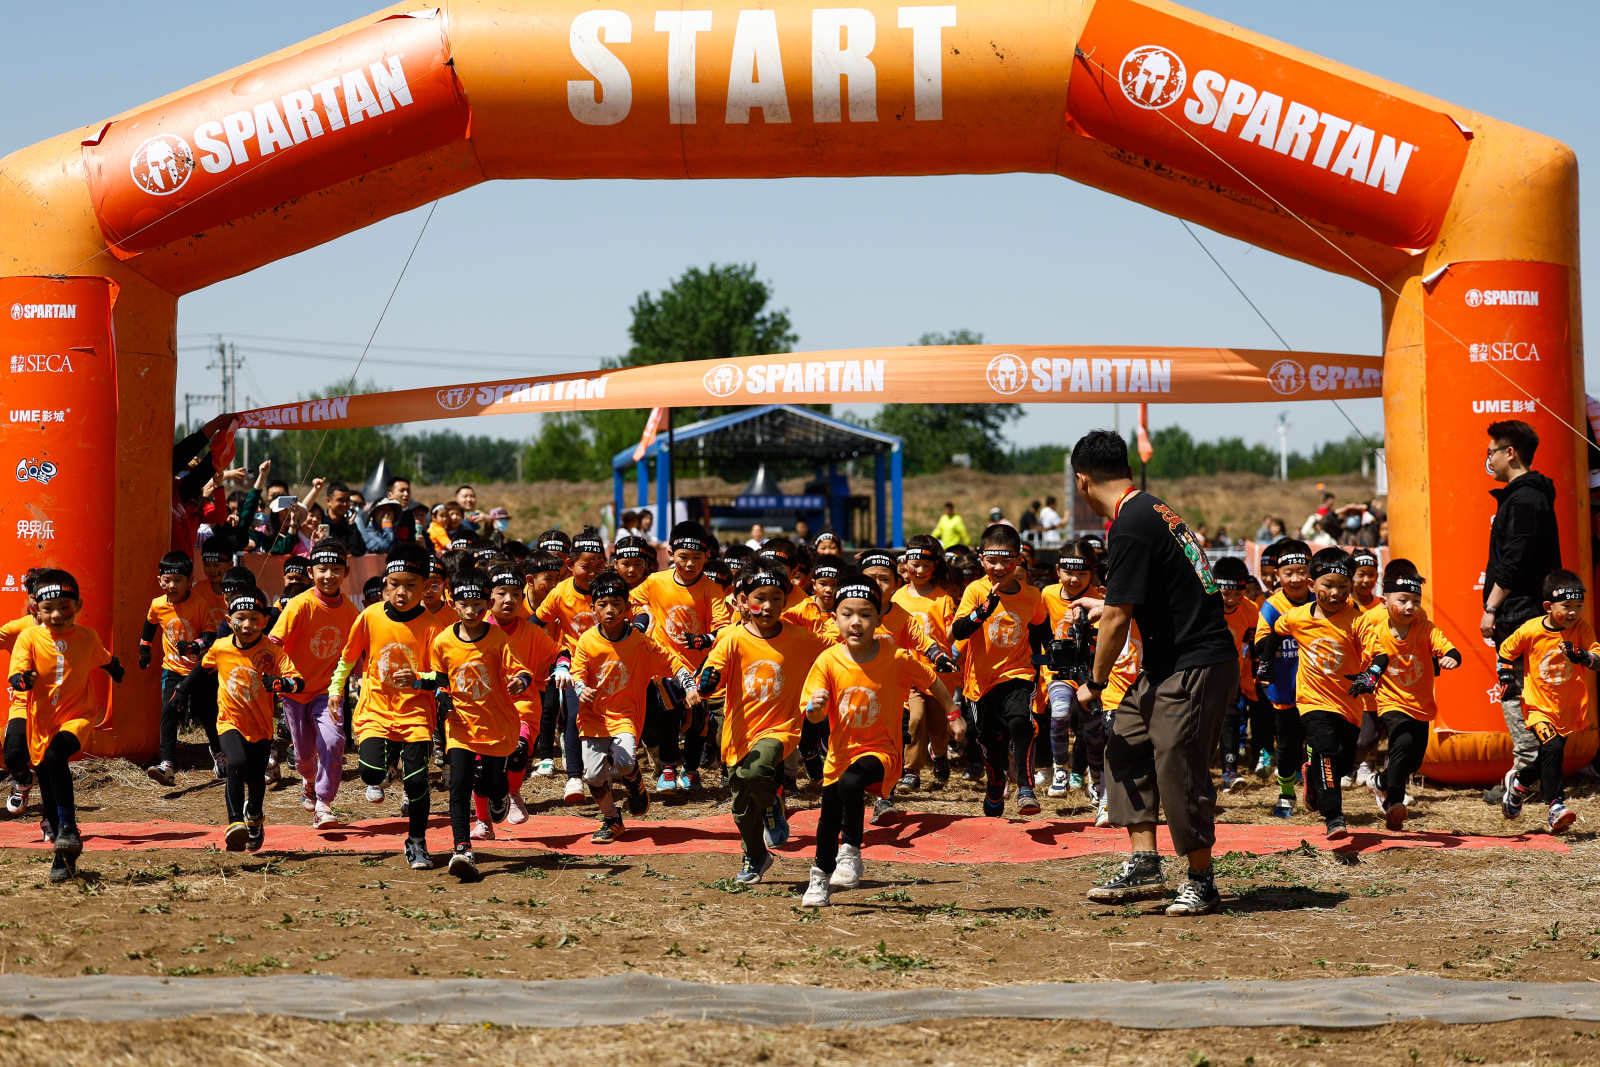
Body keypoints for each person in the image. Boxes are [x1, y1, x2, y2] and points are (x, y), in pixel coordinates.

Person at [1070, 430, 1235, 917]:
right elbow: (1147, 594)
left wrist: (1095, 683)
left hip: (1196, 662)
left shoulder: (1129, 525)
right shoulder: (1150, 510)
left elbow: (1119, 619)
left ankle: (1202, 880)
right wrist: (1105, 605)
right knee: (1125, 742)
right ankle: (1145, 864)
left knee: (1178, 768)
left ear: (1081, 481)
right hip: (1166, 663)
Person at [799, 574, 955, 907]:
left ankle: (851, 850)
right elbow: (812, 715)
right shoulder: (827, 660)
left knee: (852, 782)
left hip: (882, 752)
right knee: (828, 819)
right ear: (835, 618)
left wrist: (954, 714)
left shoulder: (896, 657)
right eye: (847, 614)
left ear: (880, 618)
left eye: (865, 614)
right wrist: (815, 709)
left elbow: (932, 680)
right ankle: (820, 877)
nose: (856, 622)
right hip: (840, 754)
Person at [698, 561, 832, 884]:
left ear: (785, 602)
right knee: (742, 805)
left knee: (757, 771)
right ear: (745, 601)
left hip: (782, 728)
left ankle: (772, 802)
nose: (768, 606)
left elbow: (837, 652)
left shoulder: (802, 638)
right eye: (760, 598)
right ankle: (756, 855)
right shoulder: (732, 638)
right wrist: (707, 682)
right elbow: (712, 675)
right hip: (739, 733)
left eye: (776, 599)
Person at [329, 544, 445, 870]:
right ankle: (388, 765)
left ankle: (417, 842)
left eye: (411, 585)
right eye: (395, 584)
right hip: (375, 710)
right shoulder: (370, 616)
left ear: (425, 587)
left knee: (417, 783)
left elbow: (441, 676)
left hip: (415, 713)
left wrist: (419, 679)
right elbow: (348, 656)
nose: (402, 592)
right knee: (371, 773)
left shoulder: (433, 627)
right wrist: (336, 689)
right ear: (385, 586)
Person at [8, 570, 123, 882]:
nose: (57, 615)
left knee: (56, 756)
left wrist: (117, 669)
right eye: (49, 609)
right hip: (40, 724)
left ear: (78, 606)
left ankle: (70, 827)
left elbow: (104, 658)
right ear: (36, 609)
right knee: (47, 779)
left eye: (65, 607)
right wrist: (23, 680)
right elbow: (16, 674)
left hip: (78, 718)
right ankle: (64, 856)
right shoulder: (29, 638)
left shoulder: (87, 637)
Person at [568, 572, 696, 844]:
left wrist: (690, 686)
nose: (610, 610)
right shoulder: (587, 640)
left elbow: (672, 662)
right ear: (593, 608)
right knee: (593, 776)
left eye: (617, 604)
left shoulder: (640, 642)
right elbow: (577, 672)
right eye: (603, 604)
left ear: (627, 607)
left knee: (626, 761)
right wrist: (581, 689)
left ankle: (634, 781)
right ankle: (612, 818)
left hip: (625, 715)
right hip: (592, 717)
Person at [175, 588, 303, 851]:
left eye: (254, 619)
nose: (247, 625)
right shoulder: (221, 647)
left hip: (261, 727)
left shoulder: (272, 651)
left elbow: (298, 681)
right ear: (228, 620)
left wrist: (281, 683)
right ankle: (235, 824)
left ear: (265, 621)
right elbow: (202, 668)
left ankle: (254, 816)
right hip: (229, 721)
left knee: (256, 778)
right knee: (235, 763)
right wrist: (182, 691)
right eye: (240, 618)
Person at [432, 568, 537, 879]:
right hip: (460, 726)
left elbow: (521, 670)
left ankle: (500, 792)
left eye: (478, 605)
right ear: (453, 604)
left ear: (488, 604)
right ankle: (462, 848)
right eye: (464, 605)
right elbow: (440, 677)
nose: (471, 611)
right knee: (460, 784)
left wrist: (520, 681)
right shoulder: (443, 641)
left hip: (497, 725)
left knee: (490, 783)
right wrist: (442, 696)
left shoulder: (497, 638)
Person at [1482, 419, 1562, 800]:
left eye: (1491, 452)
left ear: (1510, 453)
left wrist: (1491, 607)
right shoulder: (1529, 496)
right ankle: (1533, 774)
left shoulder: (1526, 499)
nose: (1489, 460)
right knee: (1530, 690)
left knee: (1516, 692)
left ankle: (1525, 774)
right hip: (1527, 610)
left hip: (1520, 612)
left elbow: (1515, 559)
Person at [1348, 559, 1459, 830]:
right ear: (1384, 601)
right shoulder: (1374, 628)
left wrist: (1451, 657)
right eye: (1403, 600)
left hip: (1420, 703)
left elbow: (1447, 647)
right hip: (1390, 700)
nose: (1410, 606)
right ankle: (1394, 803)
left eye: (1415, 601)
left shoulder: (1425, 627)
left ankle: (1380, 782)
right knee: (1401, 744)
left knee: (1414, 758)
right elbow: (1362, 655)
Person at [1266, 548, 1367, 840]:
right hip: (1312, 700)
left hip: (1348, 703)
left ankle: (1312, 776)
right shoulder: (1297, 617)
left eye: (1343, 587)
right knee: (1325, 750)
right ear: (1312, 585)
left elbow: (1377, 651)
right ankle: (1334, 817)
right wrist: (1265, 662)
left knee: (1343, 764)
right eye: (1328, 586)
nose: (1336, 593)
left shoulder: (1357, 620)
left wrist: (1371, 673)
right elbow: (1275, 632)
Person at [950, 524, 1049, 818]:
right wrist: (982, 611)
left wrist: (1052, 654)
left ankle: (1026, 787)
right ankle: (995, 780)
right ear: (981, 559)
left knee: (1021, 722)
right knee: (990, 740)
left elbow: (1042, 630)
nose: (998, 567)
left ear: (1018, 560)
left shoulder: (1032, 596)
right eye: (991, 561)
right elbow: (958, 631)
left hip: (1018, 673)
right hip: (980, 682)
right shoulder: (975, 590)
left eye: (1006, 561)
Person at [630, 522, 730, 793]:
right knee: (669, 714)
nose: (690, 564)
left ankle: (691, 770)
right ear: (671, 554)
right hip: (665, 664)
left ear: (707, 556)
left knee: (698, 721)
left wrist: (705, 639)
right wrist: (644, 618)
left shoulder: (711, 589)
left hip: (699, 666)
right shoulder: (655, 582)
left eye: (697, 558)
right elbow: (630, 601)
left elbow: (724, 628)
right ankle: (668, 769)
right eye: (683, 557)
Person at [1497, 569, 1597, 834]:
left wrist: (1582, 656)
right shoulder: (1531, 630)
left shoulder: (1582, 629)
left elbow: (1597, 658)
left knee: (1548, 755)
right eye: (1567, 606)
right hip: (1538, 706)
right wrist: (1506, 679)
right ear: (1548, 607)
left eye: (1579, 606)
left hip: (1567, 708)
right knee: (1551, 747)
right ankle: (1555, 806)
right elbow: (1506, 651)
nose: (1573, 612)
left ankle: (1519, 784)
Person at [268, 538, 359, 828]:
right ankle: (308, 780)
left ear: (346, 572)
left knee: (333, 741)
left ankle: (324, 803)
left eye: (336, 569)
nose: (329, 575)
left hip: (328, 693)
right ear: (310, 572)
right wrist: (273, 676)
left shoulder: (351, 612)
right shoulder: (299, 605)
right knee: (304, 757)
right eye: (322, 569)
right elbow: (273, 643)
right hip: (295, 693)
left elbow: (359, 651)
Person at [537, 529, 608, 804]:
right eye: (586, 566)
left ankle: (609, 767)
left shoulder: (611, 587)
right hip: (575, 666)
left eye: (599, 565)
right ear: (569, 565)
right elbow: (536, 622)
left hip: (611, 665)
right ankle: (574, 777)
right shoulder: (560, 592)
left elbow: (635, 614)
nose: (593, 572)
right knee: (574, 717)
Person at [485, 563, 557, 823]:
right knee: (484, 771)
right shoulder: (475, 628)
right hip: (484, 710)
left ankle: (513, 793)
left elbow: (559, 653)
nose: (510, 600)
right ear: (488, 595)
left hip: (523, 707)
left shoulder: (532, 632)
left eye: (516, 594)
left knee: (518, 753)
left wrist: (563, 667)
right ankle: (486, 814)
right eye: (502, 593)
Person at [140, 552, 215, 786]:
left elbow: (210, 636)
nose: (172, 585)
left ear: (190, 581)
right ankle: (167, 764)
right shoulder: (157, 604)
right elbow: (150, 625)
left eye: (178, 580)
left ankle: (220, 754)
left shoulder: (199, 604)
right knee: (169, 710)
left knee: (208, 713)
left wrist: (194, 646)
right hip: (171, 669)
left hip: (198, 670)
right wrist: (144, 650)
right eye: (167, 580)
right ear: (159, 580)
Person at [893, 537, 962, 790]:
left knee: (937, 725)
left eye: (926, 566)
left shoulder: (943, 599)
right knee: (915, 718)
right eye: (915, 565)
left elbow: (949, 635)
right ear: (905, 565)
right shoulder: (897, 598)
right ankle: (911, 771)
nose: (920, 571)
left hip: (937, 675)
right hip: (909, 672)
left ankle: (940, 756)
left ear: (935, 567)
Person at [1040, 539, 1104, 800]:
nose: (1075, 580)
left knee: (1094, 731)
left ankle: (1096, 780)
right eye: (1068, 573)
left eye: (1082, 574)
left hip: (1092, 675)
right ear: (1058, 571)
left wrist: (1085, 625)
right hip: (1059, 673)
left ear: (1092, 573)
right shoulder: (1047, 595)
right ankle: (1059, 770)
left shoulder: (1100, 599)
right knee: (1059, 714)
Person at [1253, 539, 1312, 813]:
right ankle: (1286, 792)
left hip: (1317, 690)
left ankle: (1316, 785)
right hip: (1284, 687)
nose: (1296, 579)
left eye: (1302, 572)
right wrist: (1283, 630)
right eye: (1289, 573)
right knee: (1287, 746)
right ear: (1278, 575)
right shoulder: (1272, 606)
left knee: (1318, 742)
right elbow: (1259, 644)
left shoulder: (1320, 599)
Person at [1213, 556, 1262, 794]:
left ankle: (1230, 771)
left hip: (1232, 673)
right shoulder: (1203, 606)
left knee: (1231, 718)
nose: (1231, 600)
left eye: (1237, 594)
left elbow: (1250, 644)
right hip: (1201, 672)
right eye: (1225, 594)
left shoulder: (1251, 611)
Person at [0, 572, 43, 816]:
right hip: (23, 704)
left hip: (54, 707)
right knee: (13, 752)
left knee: (51, 762)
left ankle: (60, 819)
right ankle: (23, 782)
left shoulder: (68, 631)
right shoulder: (18, 627)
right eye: (34, 597)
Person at [322, 482, 368, 558]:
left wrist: (351, 524)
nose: (345, 504)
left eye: (347, 500)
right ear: (328, 501)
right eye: (340, 500)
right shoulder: (320, 522)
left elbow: (359, 551)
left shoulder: (349, 525)